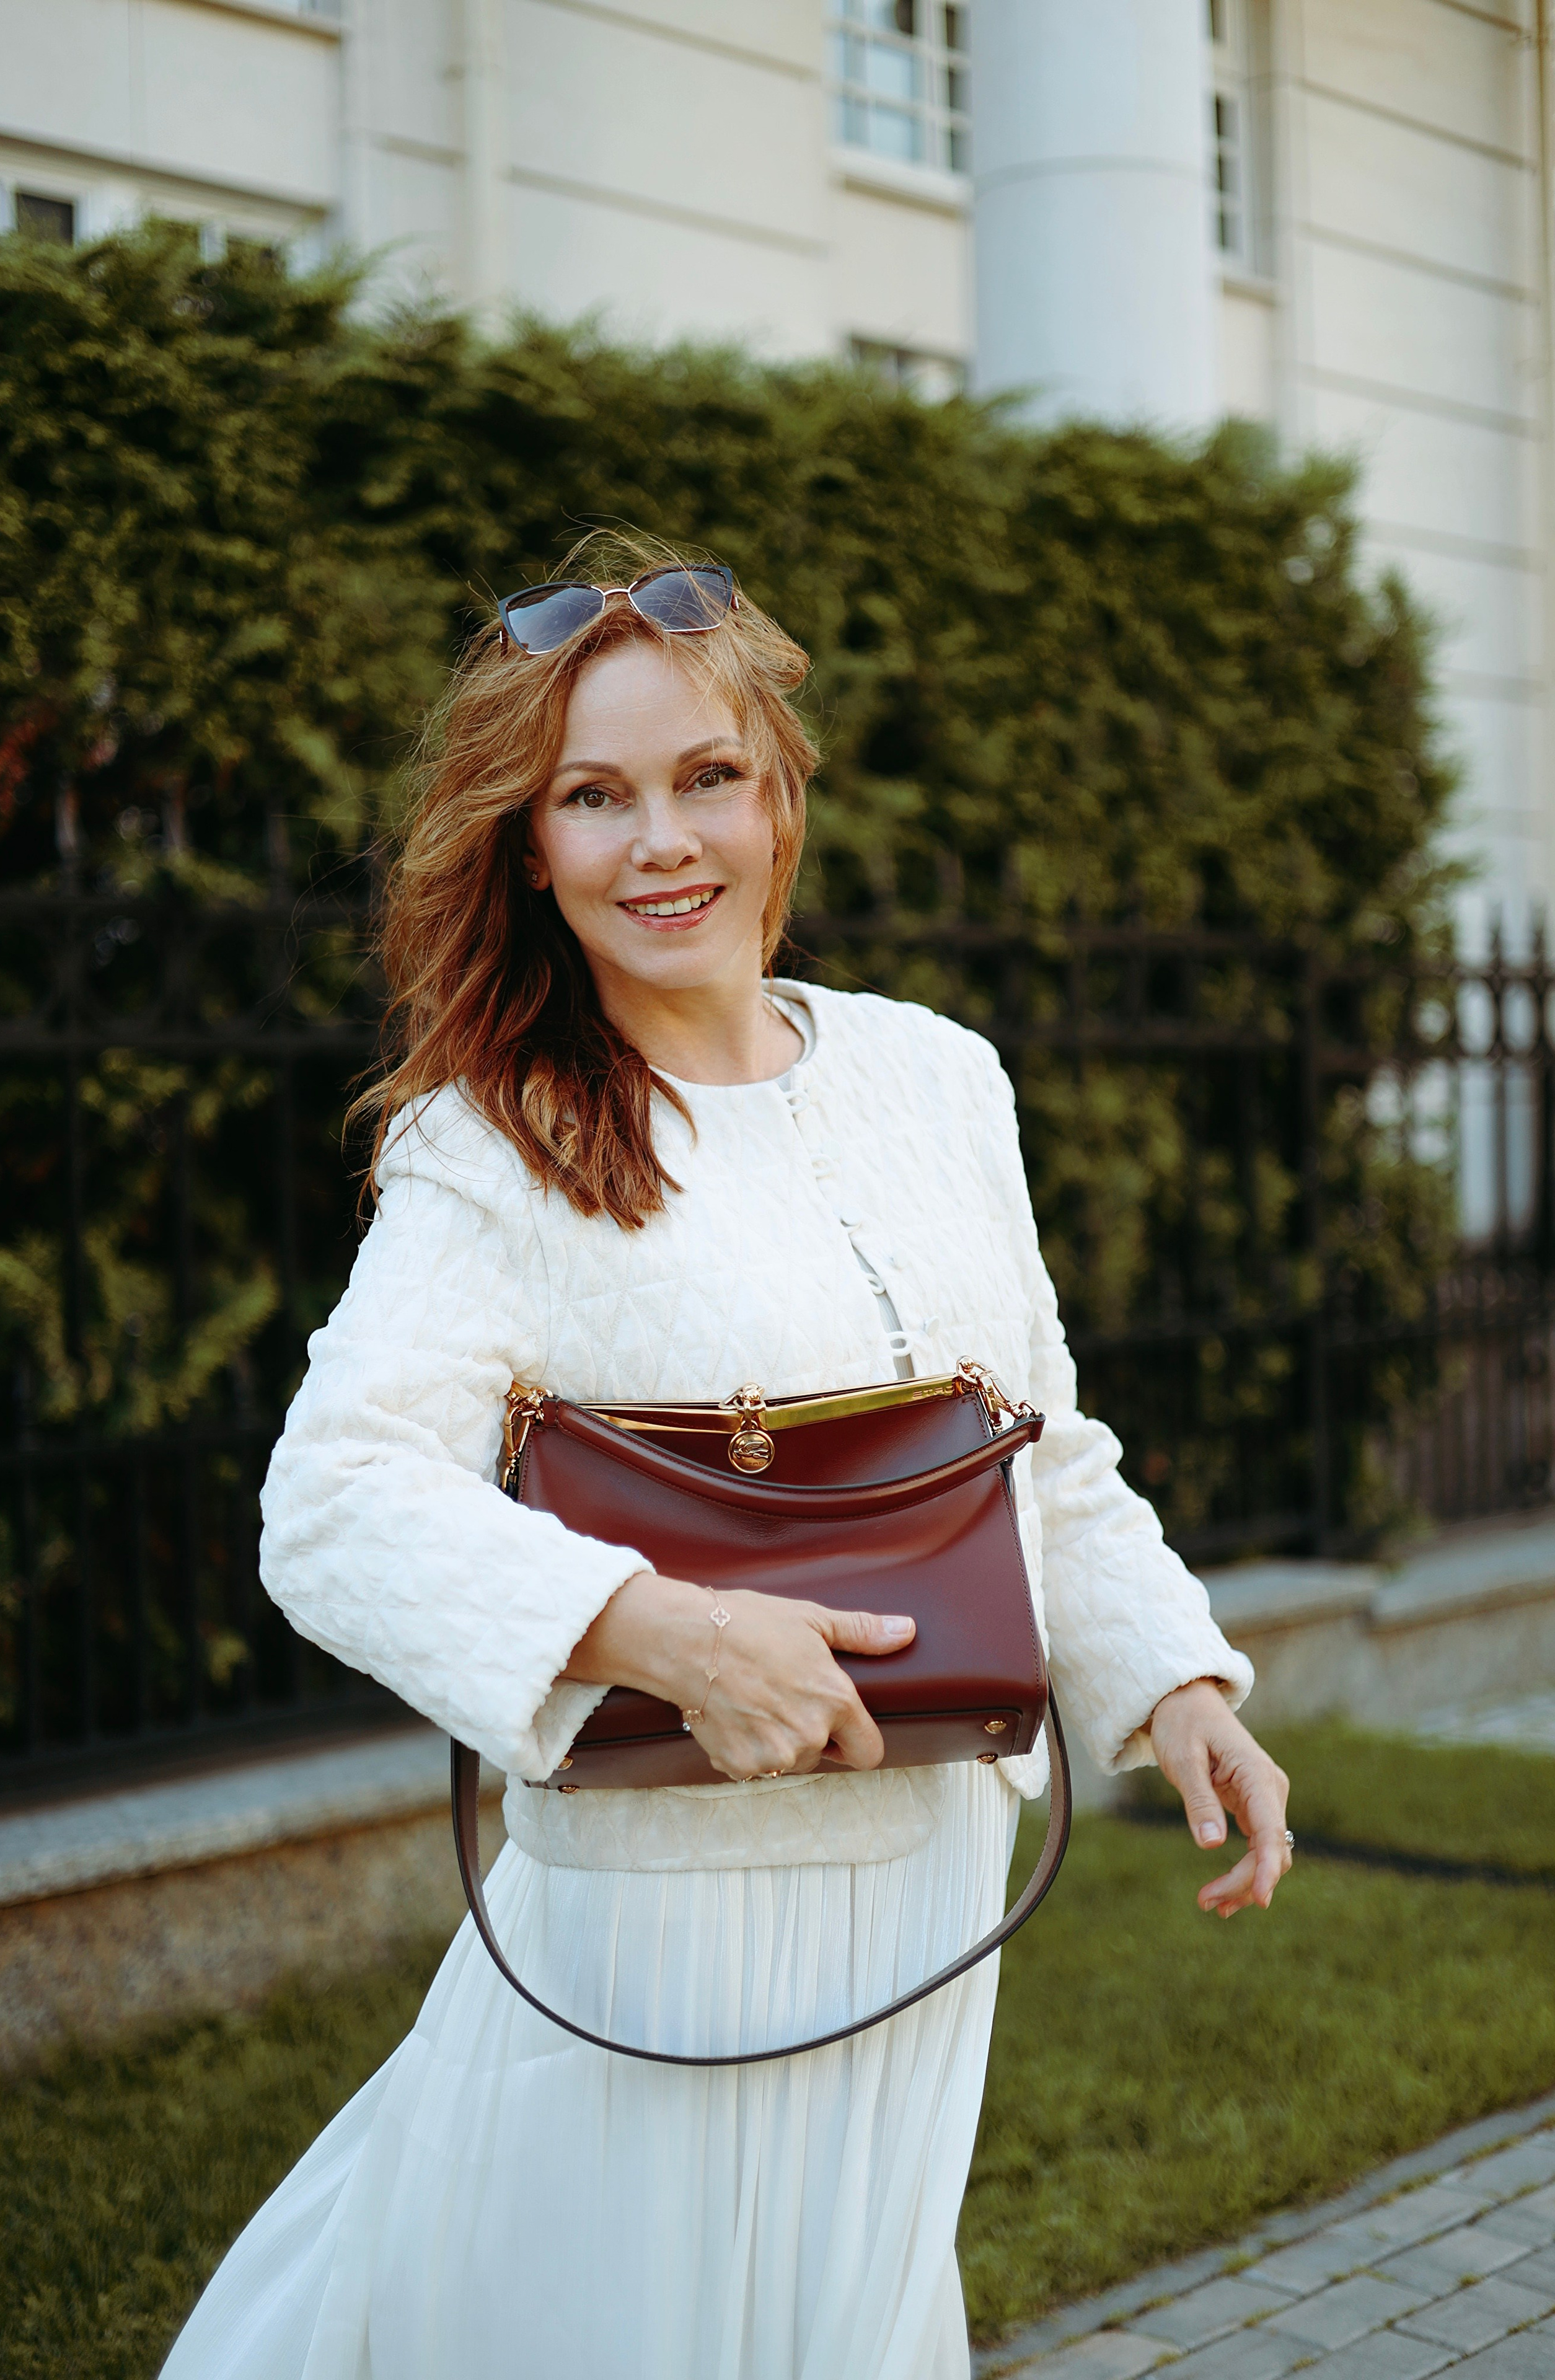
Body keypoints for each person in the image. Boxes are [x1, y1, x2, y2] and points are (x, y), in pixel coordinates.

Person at [159, 539, 1291, 2380]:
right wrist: (672, 1636)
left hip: (932, 1898)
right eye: (594, 798)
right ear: (531, 849)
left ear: (781, 800)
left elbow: (1038, 1445)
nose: (661, 842)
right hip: (665, 1934)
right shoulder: (496, 1141)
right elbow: (337, 1501)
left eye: (706, 778)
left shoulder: (940, 1080)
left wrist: (1176, 1684)